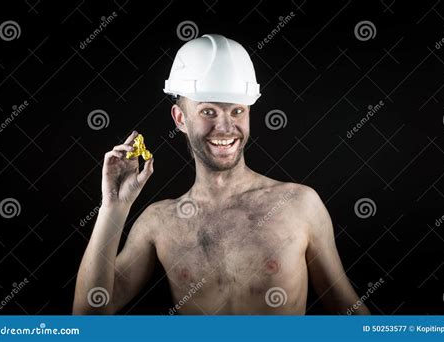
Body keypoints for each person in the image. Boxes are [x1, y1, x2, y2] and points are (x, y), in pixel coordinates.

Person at [73, 34, 369, 315]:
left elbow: (349, 313)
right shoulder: (159, 222)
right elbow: (89, 316)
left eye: (237, 111)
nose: (226, 128)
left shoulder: (300, 204)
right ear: (180, 118)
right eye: (209, 112)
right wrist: (114, 207)